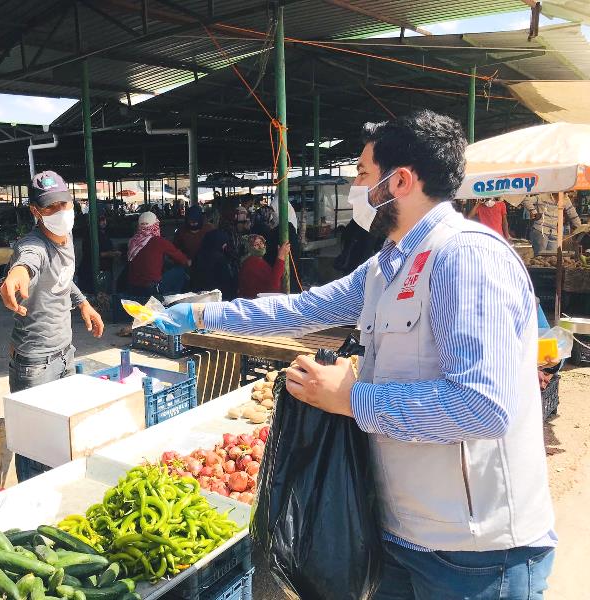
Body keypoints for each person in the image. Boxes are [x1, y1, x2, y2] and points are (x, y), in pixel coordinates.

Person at [155, 110, 555, 599]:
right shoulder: (388, 266)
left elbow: (481, 407)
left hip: (475, 554)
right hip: (402, 534)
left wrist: (351, 399)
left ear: (401, 180)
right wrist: (202, 316)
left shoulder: (464, 258)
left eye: (363, 176)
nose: (355, 189)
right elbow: (304, 309)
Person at [0, 171, 104, 482]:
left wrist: (83, 303)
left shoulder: (68, 238)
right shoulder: (33, 246)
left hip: (64, 354)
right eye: (50, 207)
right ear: (35, 211)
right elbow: (27, 262)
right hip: (34, 364)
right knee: (34, 448)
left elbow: (63, 278)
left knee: (61, 440)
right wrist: (16, 275)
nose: (60, 212)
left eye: (64, 203)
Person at [126, 211, 190, 296]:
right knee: (180, 271)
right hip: (152, 288)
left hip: (133, 287)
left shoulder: (133, 241)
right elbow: (181, 259)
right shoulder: (159, 241)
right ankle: (173, 299)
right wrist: (188, 261)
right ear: (155, 225)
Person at [77, 210, 119, 293]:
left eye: (104, 220)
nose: (104, 222)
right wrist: (110, 254)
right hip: (92, 273)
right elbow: (90, 253)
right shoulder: (90, 234)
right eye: (101, 220)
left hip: (104, 270)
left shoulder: (103, 233)